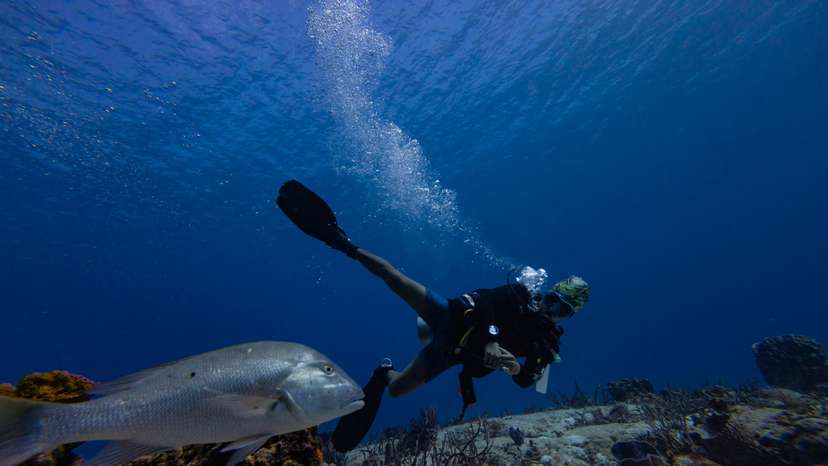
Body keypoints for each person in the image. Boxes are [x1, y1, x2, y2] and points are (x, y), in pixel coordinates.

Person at [276, 180, 591, 452]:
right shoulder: (522, 293)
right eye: (551, 299)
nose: (551, 308)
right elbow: (485, 303)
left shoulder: (546, 346)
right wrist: (493, 341)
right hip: (451, 316)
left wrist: (514, 369)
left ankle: (383, 371)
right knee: (394, 278)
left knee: (397, 389)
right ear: (545, 292)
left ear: (568, 316)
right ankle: (342, 243)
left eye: (561, 308)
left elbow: (526, 382)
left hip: (451, 352)